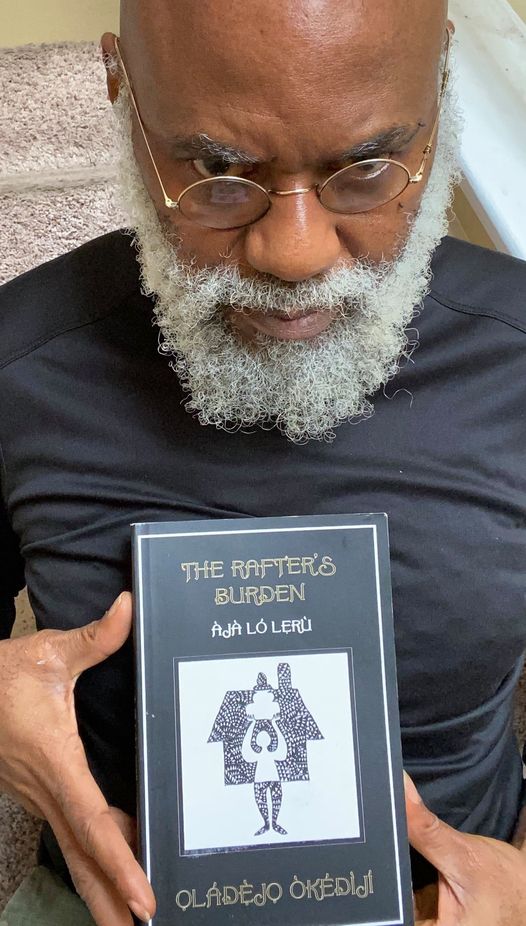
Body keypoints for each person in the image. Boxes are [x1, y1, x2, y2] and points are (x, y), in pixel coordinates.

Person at [0, 0, 525, 923]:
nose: (294, 252)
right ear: (120, 89)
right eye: (216, 173)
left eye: (366, 169)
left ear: (441, 76)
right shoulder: (18, 361)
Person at [241, 718, 289, 836]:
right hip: (260, 780)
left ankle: (274, 823)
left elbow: (283, 751)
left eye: (266, 737)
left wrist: (275, 725)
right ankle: (267, 824)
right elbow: (245, 751)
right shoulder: (256, 755)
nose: (263, 739)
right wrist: (251, 726)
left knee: (276, 800)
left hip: (274, 779)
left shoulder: (273, 754)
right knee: (261, 801)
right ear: (256, 741)